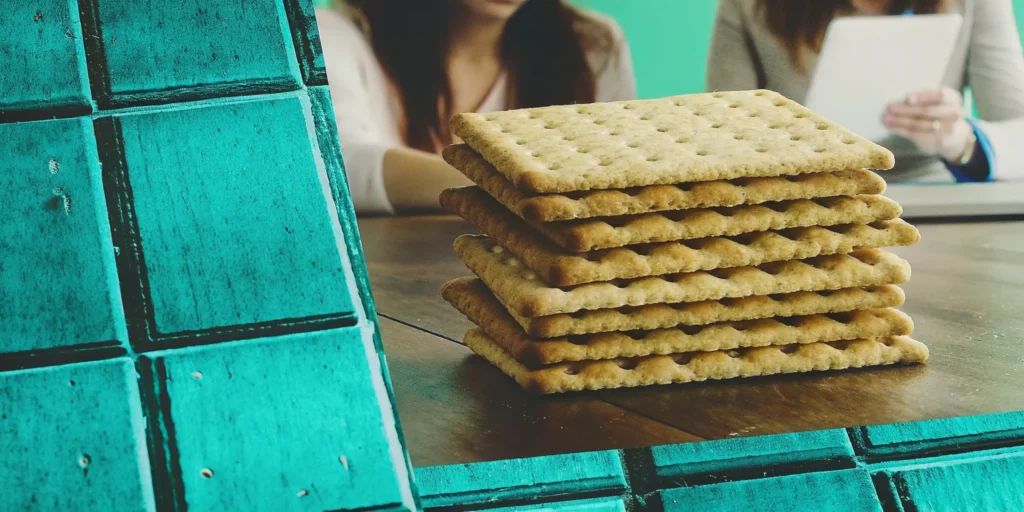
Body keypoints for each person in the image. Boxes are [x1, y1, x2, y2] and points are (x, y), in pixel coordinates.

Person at [315, 0, 636, 214]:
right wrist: (520, 187)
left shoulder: (591, 46)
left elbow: (625, 178)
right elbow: (337, 164)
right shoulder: (334, 34)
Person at [706, 0, 1024, 182]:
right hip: (806, 197)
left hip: (933, 188)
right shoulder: (749, 7)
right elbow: (725, 143)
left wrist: (961, 140)